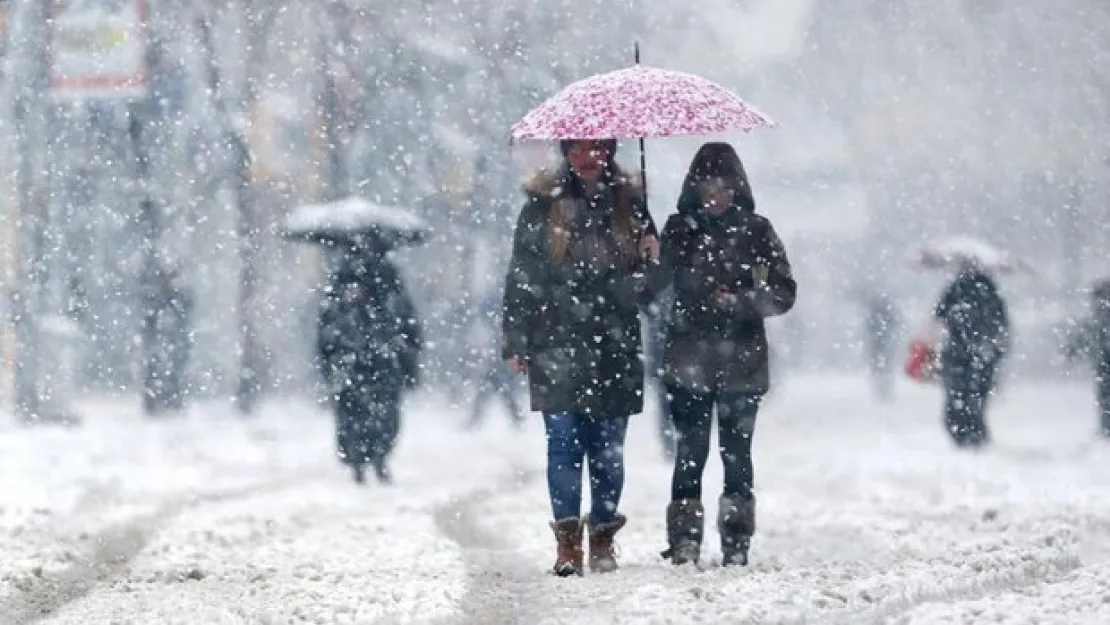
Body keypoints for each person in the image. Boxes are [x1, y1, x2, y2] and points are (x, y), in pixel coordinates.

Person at [502, 138, 659, 577]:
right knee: (563, 445)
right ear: (566, 153)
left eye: (598, 149)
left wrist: (651, 261)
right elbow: (522, 276)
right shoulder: (541, 206)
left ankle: (603, 536)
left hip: (615, 346)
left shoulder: (632, 207)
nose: (588, 158)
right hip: (556, 342)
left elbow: (650, 293)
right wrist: (517, 340)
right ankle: (567, 543)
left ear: (611, 151)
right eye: (578, 150)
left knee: (608, 450)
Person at [651, 142, 796, 567]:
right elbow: (650, 289)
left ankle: (736, 539)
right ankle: (685, 540)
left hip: (741, 366)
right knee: (690, 454)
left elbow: (784, 294)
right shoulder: (678, 230)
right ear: (696, 187)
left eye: (724, 185)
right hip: (688, 361)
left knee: (737, 455)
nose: (716, 193)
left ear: (737, 187)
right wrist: (646, 252)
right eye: (708, 185)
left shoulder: (757, 232)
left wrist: (741, 300)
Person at [318, 240, 423, 484]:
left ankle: (373, 458)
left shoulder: (384, 281)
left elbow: (406, 321)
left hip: (376, 361)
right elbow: (329, 326)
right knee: (359, 414)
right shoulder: (345, 281)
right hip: (360, 361)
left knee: (375, 414)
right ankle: (363, 459)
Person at [933, 262, 1010, 448]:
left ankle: (962, 430)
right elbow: (1002, 325)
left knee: (958, 395)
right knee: (977, 396)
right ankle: (974, 431)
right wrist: (995, 350)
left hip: (957, 354)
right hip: (982, 355)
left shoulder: (954, 290)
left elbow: (939, 315)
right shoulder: (990, 292)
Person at [466, 288, 527, 429]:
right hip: (496, 363)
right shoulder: (498, 323)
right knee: (497, 392)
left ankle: (515, 419)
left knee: (503, 392)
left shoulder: (505, 325)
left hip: (500, 363)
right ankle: (515, 419)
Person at [1063, 279, 1110, 437]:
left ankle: (1106, 425)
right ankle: (1106, 425)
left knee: (1104, 394)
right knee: (1104, 394)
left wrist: (1072, 350)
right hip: (1103, 361)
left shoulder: (1098, 318)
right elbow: (1086, 335)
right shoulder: (1097, 319)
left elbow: (1086, 335)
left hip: (1103, 361)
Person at [864, 293, 900, 401]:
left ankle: (882, 392)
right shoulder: (886, 314)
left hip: (879, 346)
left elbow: (868, 328)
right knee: (884, 370)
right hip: (883, 346)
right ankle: (884, 392)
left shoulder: (874, 315)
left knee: (880, 370)